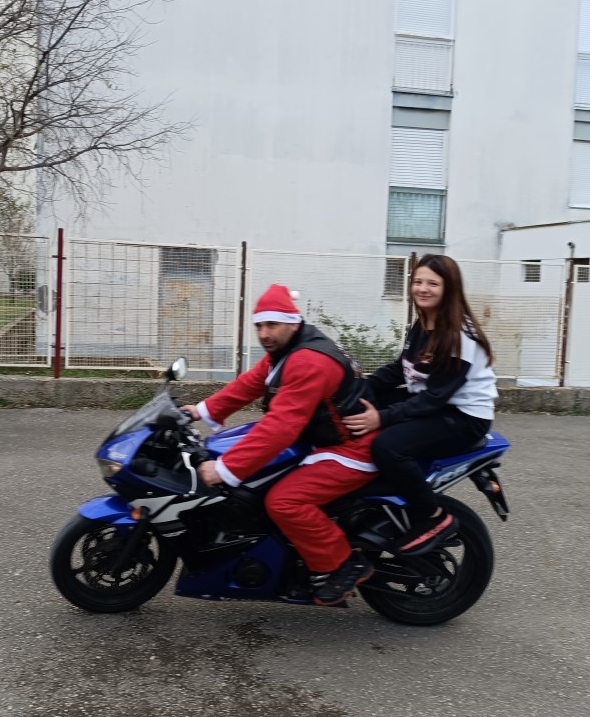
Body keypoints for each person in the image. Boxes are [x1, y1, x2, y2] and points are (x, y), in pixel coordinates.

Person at [180, 284, 378, 606]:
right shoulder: (286, 352)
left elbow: (282, 426)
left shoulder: (308, 360)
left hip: (351, 449)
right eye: (259, 325)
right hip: (323, 440)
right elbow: (250, 383)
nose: (264, 334)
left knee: (284, 501)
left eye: (272, 324)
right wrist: (200, 410)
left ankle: (343, 563)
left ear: (292, 323)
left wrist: (225, 469)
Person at [344, 254, 497, 555]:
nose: (423, 289)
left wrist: (382, 419)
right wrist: (355, 388)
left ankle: (432, 516)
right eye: (418, 281)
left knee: (387, 446)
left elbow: (435, 398)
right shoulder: (425, 321)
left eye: (432, 283)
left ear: (449, 288)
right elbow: (400, 369)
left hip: (463, 417)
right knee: (360, 404)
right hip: (434, 401)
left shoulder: (460, 335)